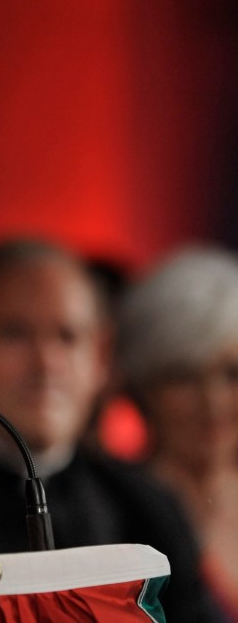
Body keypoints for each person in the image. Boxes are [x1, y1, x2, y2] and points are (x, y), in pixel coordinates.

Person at [0, 237, 225, 622]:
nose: (46, 365)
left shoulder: (146, 507)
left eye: (67, 337)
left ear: (100, 357)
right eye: (15, 334)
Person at [116, 244, 238, 621]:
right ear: (140, 386)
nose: (212, 401)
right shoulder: (111, 517)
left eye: (232, 374)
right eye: (184, 376)